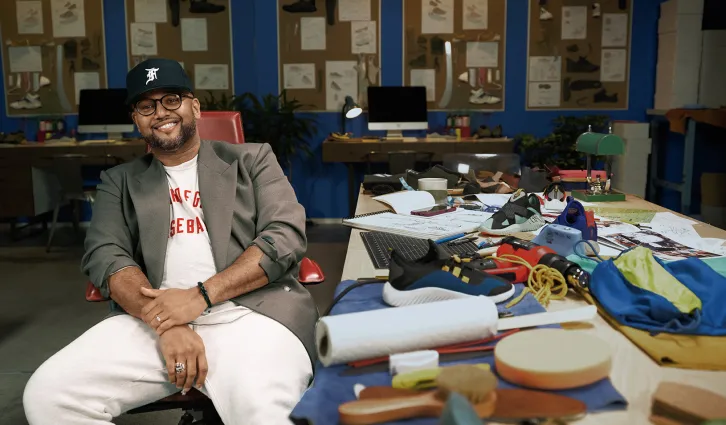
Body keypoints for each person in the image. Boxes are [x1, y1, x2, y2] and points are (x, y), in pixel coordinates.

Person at [23, 58, 318, 425]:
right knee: (49, 396)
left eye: (171, 100)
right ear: (136, 119)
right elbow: (105, 255)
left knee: (264, 416)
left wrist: (198, 298)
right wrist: (169, 323)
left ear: (194, 106)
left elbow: (284, 235)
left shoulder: (253, 159)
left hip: (251, 315)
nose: (160, 113)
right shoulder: (119, 181)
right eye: (146, 106)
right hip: (154, 322)